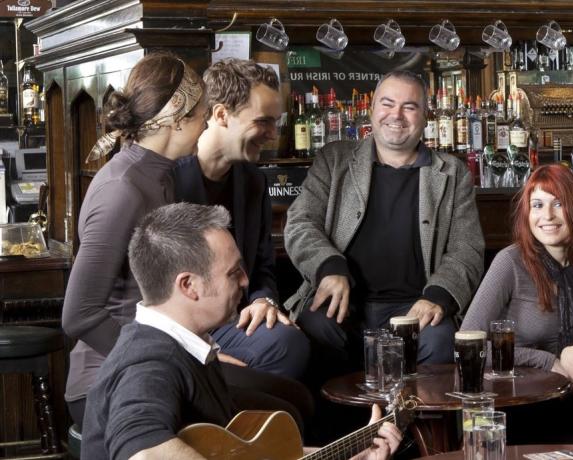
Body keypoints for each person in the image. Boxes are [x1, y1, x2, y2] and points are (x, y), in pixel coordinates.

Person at [81, 203, 401, 460]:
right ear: (189, 285)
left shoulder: (186, 348)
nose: (246, 281)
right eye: (233, 272)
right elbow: (142, 449)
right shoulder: (149, 363)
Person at [285, 70, 484, 373]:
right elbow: (301, 223)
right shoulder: (334, 159)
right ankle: (343, 423)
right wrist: (329, 268)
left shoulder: (453, 173)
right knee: (315, 327)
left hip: (415, 306)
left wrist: (437, 297)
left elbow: (466, 248)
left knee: (439, 338)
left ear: (426, 116)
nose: (397, 115)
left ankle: (417, 422)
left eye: (410, 106)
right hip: (345, 305)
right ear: (372, 110)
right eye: (387, 104)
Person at [62, 52, 208, 427]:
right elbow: (79, 315)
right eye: (202, 113)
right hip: (108, 380)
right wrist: (163, 355)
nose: (207, 124)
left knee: (287, 398)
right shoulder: (121, 189)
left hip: (151, 362)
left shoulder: (160, 175)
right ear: (177, 120)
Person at [173, 58, 309, 380]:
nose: (273, 135)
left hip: (233, 321)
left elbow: (262, 265)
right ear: (221, 114)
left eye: (277, 122)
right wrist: (204, 348)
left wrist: (264, 300)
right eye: (264, 122)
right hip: (182, 329)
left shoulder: (253, 181)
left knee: (291, 342)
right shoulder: (168, 179)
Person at [460, 164, 573, 389]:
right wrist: (547, 360)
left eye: (558, 203)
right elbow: (467, 345)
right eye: (537, 205)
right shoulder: (510, 262)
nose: (547, 216)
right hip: (522, 396)